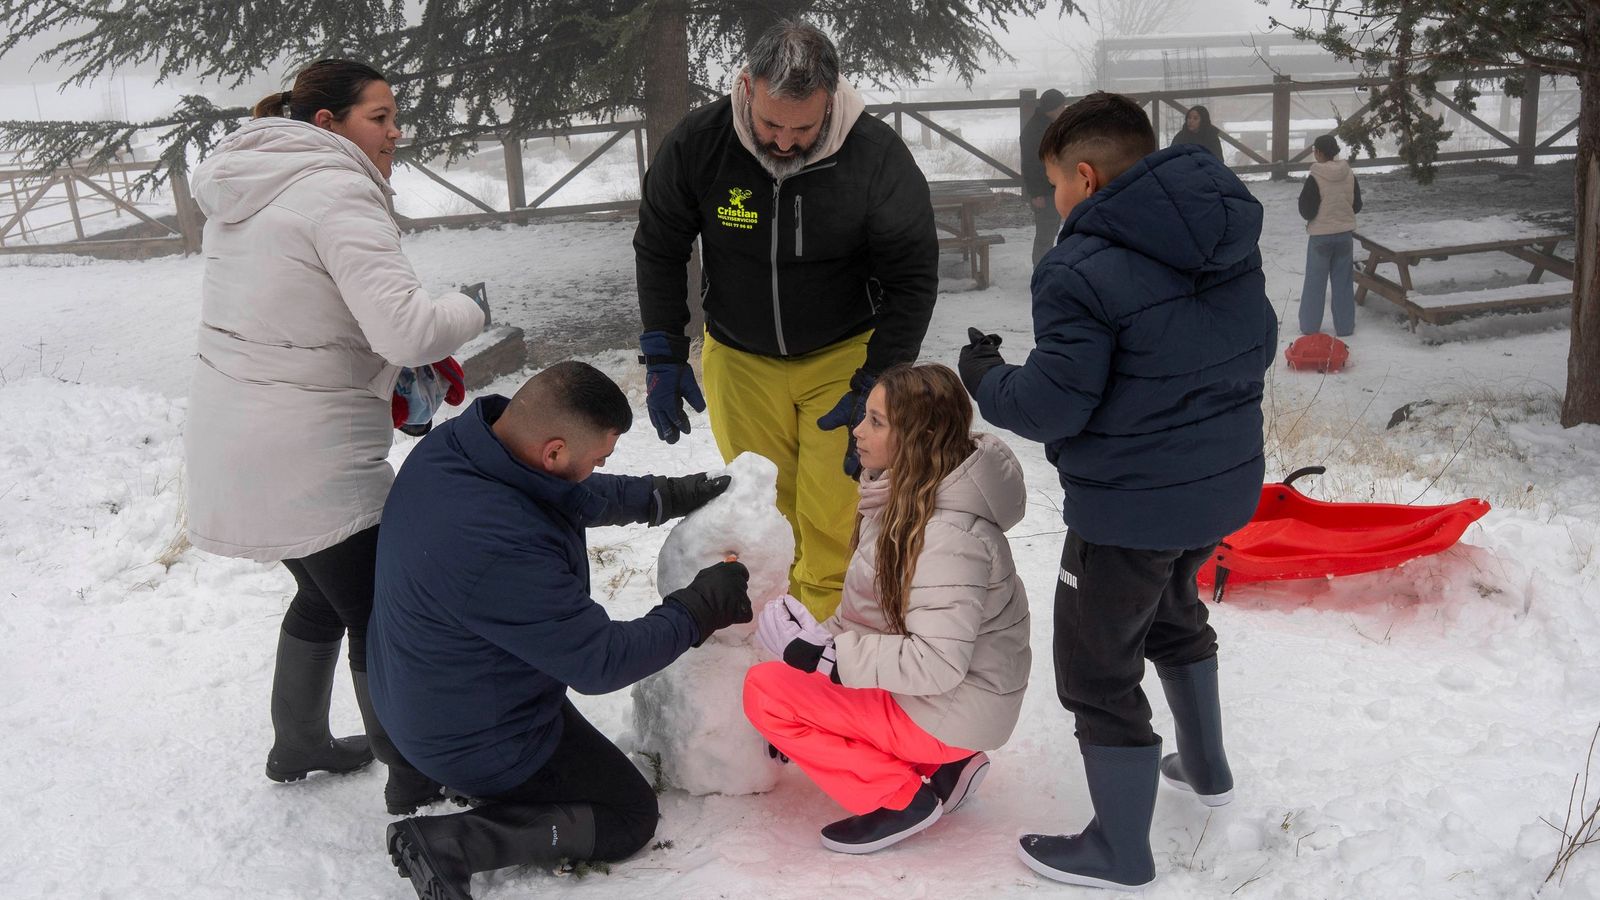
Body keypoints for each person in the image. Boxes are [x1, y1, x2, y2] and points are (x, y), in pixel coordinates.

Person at [958, 92, 1277, 890]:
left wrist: (987, 378)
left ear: (1088, 178)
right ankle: (1206, 769)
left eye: (1055, 184)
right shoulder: (1227, 232)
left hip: (1129, 505)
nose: (1052, 200)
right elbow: (1246, 342)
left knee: (1097, 669)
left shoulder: (1077, 266)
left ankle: (1120, 851)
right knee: (1174, 609)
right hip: (1216, 487)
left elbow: (1055, 402)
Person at [184, 59, 490, 815]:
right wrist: (469, 309)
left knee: (322, 594)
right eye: (380, 118)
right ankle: (413, 775)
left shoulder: (250, 185)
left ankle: (300, 744)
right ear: (328, 124)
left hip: (234, 435)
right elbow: (408, 327)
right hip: (305, 452)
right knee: (382, 610)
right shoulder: (336, 189)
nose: (395, 132)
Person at [367, 362, 753, 900]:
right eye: (597, 459)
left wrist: (663, 495)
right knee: (628, 815)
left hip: (424, 696)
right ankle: (458, 842)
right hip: (475, 737)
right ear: (553, 451)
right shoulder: (496, 545)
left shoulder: (462, 448)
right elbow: (600, 662)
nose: (598, 470)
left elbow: (563, 494)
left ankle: (436, 776)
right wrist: (698, 609)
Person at [634, 19, 939, 622]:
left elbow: (912, 276)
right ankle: (772, 621)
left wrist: (877, 378)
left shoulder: (874, 155)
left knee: (834, 511)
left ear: (832, 97)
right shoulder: (700, 143)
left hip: (842, 354)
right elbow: (660, 246)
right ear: (746, 87)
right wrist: (664, 349)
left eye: (804, 127)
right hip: (739, 358)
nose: (784, 141)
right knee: (763, 503)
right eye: (772, 123)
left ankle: (824, 634)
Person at [743, 363, 1031, 854]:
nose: (857, 430)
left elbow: (937, 663)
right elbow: (874, 616)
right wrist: (816, 640)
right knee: (792, 678)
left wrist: (828, 659)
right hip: (948, 707)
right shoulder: (904, 497)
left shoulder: (945, 535)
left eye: (876, 421)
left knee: (765, 692)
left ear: (918, 437)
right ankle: (942, 767)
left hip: (951, 710)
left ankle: (899, 797)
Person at [1298, 133, 1364, 337]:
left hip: (1320, 236)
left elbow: (1306, 210)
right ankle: (1345, 326)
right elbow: (1357, 205)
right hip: (1344, 235)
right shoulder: (1348, 173)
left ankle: (1309, 326)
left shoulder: (1315, 176)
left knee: (1315, 283)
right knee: (1343, 282)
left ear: (1318, 152)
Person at [1021, 88, 1070, 265]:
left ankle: (1047, 270)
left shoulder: (1048, 125)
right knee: (1045, 236)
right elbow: (1030, 165)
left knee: (1051, 232)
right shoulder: (1035, 131)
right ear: (1053, 108)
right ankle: (1041, 273)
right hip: (1044, 191)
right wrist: (1036, 194)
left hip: (1053, 188)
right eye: (1062, 106)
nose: (1064, 109)